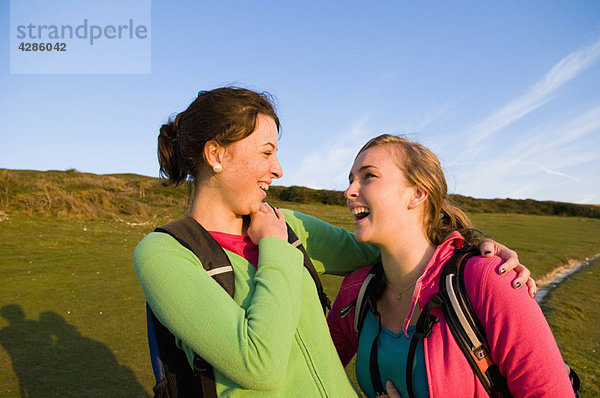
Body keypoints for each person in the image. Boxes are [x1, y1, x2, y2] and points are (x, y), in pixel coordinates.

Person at [134, 87, 534, 397]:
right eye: (266, 152)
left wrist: (471, 251)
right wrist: (274, 249)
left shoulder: (286, 223)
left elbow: (395, 242)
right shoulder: (165, 253)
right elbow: (259, 364)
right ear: (216, 155)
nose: (278, 168)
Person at [327, 134, 573, 397]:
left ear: (418, 193)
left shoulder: (487, 280)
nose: (349, 191)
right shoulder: (356, 292)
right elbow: (308, 372)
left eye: (368, 176)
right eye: (351, 179)